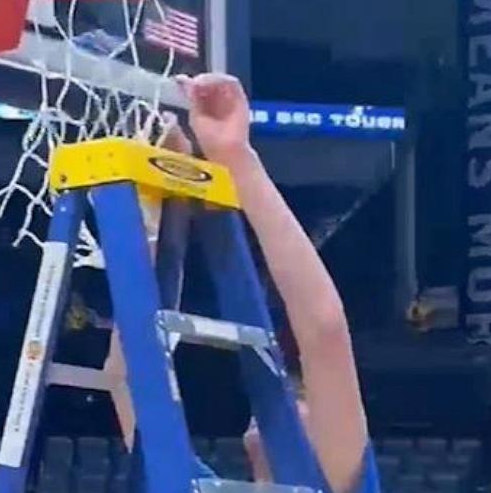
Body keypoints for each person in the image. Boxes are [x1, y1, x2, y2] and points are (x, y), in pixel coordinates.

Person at [104, 73, 378, 493]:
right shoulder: (202, 485)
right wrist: (157, 202)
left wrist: (237, 158)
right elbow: (127, 374)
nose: (287, 394)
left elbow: (324, 331)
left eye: (302, 397)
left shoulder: (334, 482)